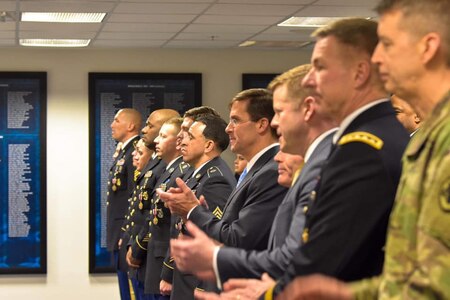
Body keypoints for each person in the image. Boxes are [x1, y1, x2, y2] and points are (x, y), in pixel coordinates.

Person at [277, 0, 450, 298]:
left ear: (428, 47)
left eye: (386, 44)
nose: (377, 58)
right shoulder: (427, 137)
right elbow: (409, 276)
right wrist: (346, 294)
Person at [168, 65, 338, 289]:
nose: (228, 129)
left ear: (261, 124)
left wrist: (194, 212)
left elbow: (243, 239)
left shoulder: (270, 172)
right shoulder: (254, 170)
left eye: (236, 121)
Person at [167, 114, 237, 299]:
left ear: (208, 145)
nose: (182, 141)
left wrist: (205, 286)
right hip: (186, 275)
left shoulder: (215, 178)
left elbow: (215, 236)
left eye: (190, 136)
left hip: (196, 282)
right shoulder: (198, 174)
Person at [122, 109, 180, 299]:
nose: (144, 130)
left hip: (155, 255)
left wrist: (138, 246)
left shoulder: (168, 168)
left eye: (151, 126)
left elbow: (157, 217)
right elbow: (139, 210)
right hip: (147, 254)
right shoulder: (160, 165)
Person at [106, 108, 142, 300]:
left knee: (131, 291)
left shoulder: (135, 152)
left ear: (130, 125)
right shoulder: (124, 152)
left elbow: (134, 197)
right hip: (119, 231)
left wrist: (127, 234)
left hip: (125, 232)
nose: (112, 125)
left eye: (117, 120)